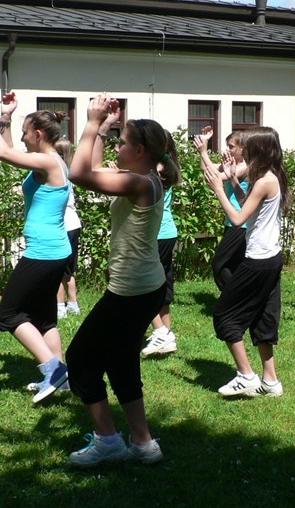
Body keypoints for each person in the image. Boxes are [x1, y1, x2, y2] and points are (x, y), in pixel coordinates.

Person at [66, 94, 180, 467]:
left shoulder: (139, 183)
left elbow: (78, 174)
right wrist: (104, 128)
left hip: (131, 291)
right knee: (121, 361)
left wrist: (90, 122)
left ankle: (108, 441)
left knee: (80, 360)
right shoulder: (145, 178)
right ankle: (143, 444)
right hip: (144, 287)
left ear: (140, 150)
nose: (118, 147)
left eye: (123, 142)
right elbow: (94, 166)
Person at [0, 93, 71, 404]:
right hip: (54, 250)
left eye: (25, 132)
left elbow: (2, 153)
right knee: (44, 317)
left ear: (38, 134)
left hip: (43, 253)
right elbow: (11, 151)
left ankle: (53, 370)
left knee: (9, 314)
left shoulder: (47, 161)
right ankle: (61, 378)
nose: (21, 137)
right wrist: (6, 116)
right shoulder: (49, 161)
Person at [202, 126, 289, 398]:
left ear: (258, 150)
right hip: (270, 258)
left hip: (258, 261)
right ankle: (270, 381)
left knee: (224, 316)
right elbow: (251, 207)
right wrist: (233, 181)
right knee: (263, 316)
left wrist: (219, 188)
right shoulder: (269, 176)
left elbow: (238, 219)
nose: (242, 152)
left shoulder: (264, 180)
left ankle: (246, 376)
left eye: (247, 148)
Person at [142, 130, 183, 356]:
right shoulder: (168, 166)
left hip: (156, 234)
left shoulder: (153, 169)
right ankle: (166, 333)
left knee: (144, 285)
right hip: (167, 232)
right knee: (163, 284)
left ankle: (161, 332)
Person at [193, 127, 249, 292]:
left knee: (219, 263)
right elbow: (206, 169)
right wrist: (204, 145)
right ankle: (240, 297)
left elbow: (215, 177)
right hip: (232, 221)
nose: (228, 150)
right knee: (233, 264)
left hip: (240, 224)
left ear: (243, 149)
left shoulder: (244, 167)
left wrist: (204, 152)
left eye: (231, 146)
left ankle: (234, 296)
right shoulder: (232, 165)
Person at [54, 139, 82, 319]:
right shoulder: (70, 172)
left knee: (56, 269)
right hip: (74, 223)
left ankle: (59, 307)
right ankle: (73, 304)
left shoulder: (56, 171)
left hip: (62, 225)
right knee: (69, 270)